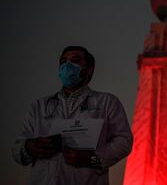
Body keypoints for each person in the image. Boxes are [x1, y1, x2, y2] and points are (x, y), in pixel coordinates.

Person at [12, 46, 133, 185]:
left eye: (75, 60)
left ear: (89, 70)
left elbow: (124, 141)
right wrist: (29, 147)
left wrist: (93, 158)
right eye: (63, 61)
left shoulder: (107, 102)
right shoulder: (39, 106)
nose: (67, 65)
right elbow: (16, 150)